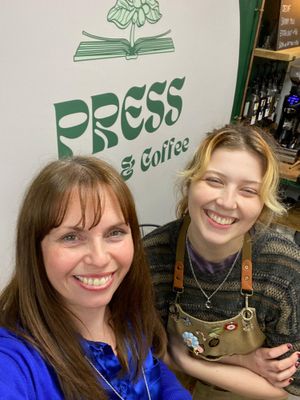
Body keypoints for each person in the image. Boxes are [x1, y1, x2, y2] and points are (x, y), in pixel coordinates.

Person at [0, 156, 192, 400]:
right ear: (34, 249)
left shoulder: (126, 306)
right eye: (71, 237)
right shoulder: (15, 360)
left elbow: (154, 372)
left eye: (114, 233)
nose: (100, 259)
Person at [143, 124, 300, 399]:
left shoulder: (284, 269)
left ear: (264, 203)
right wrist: (243, 361)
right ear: (190, 182)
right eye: (214, 180)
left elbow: (285, 388)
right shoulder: (153, 256)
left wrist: (188, 360)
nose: (227, 202)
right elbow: (152, 351)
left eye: (248, 191)